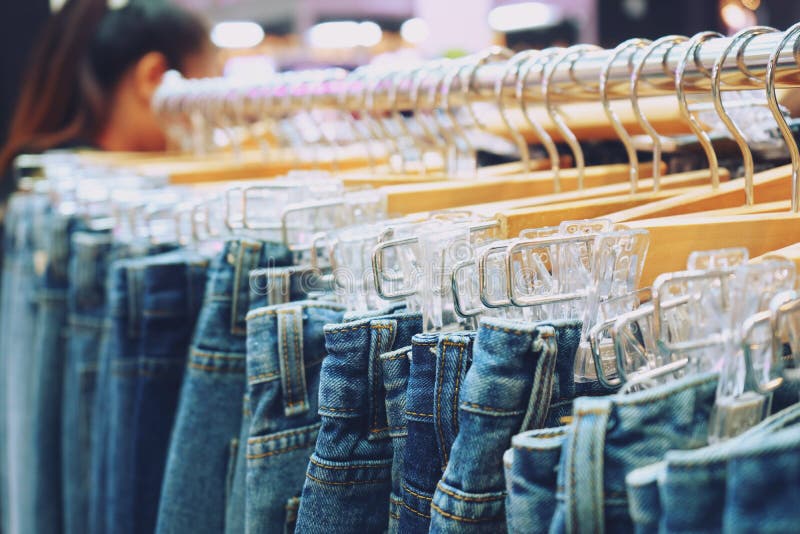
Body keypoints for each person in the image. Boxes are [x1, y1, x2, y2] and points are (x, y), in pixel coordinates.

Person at [0, 0, 219, 188]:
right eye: (201, 97)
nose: (213, 122)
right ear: (154, 78)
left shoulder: (40, 173)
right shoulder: (82, 193)